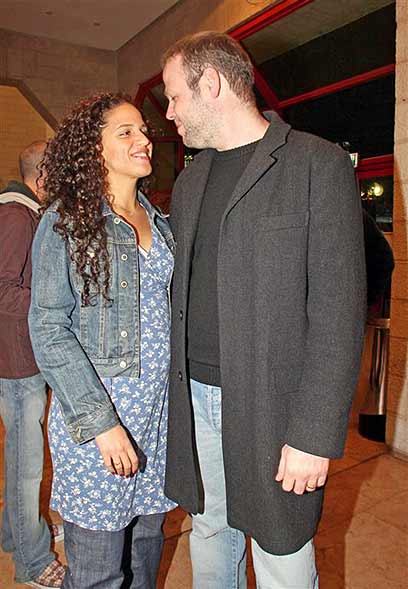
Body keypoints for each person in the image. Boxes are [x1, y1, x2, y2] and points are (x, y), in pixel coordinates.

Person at [161, 32, 366, 588]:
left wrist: (314, 434)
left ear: (212, 83)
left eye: (175, 96)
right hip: (196, 397)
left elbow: (338, 313)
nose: (170, 113)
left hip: (276, 405)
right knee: (210, 530)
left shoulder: (316, 165)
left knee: (281, 551)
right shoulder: (191, 181)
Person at [28, 92, 176, 589]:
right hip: (98, 426)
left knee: (145, 555)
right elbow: (48, 327)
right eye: (126, 132)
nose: (143, 140)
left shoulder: (159, 221)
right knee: (98, 573)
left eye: (143, 130)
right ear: (93, 149)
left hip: (155, 423)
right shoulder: (67, 221)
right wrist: (103, 424)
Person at [0, 141, 65, 589]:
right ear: (42, 178)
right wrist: (51, 303)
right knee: (27, 467)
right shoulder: (16, 216)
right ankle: (32, 560)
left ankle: (16, 535)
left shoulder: (23, 213)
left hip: (19, 358)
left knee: (21, 458)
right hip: (17, 365)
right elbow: (4, 290)